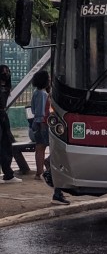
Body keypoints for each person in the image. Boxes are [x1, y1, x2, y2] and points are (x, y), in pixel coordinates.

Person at [30, 71, 69, 205]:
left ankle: (39, 172)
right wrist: (43, 123)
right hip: (43, 123)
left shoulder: (36, 93)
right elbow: (41, 112)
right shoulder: (43, 94)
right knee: (46, 148)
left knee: (39, 147)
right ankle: (43, 170)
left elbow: (34, 110)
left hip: (36, 122)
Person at [0, 65, 21, 184]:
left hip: (3, 116)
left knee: (7, 144)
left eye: (7, 71)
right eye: (4, 72)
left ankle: (8, 174)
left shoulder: (6, 87)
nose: (6, 74)